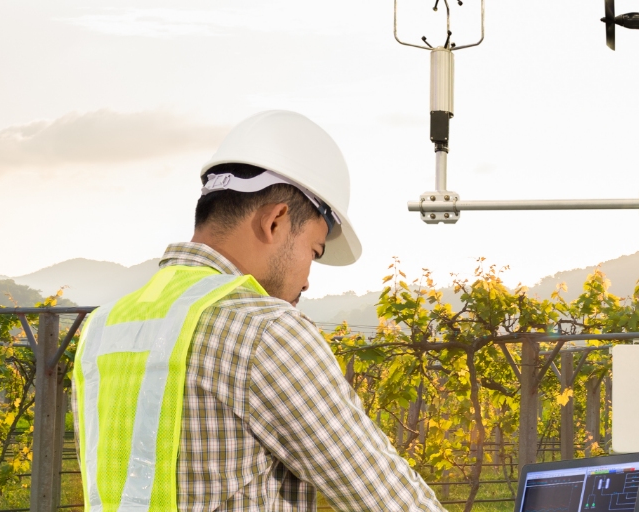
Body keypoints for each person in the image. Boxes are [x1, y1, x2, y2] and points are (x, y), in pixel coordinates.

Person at [69, 110, 444, 511]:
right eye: (313, 252)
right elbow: (387, 497)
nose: (306, 281)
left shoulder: (104, 327)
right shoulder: (265, 330)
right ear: (276, 221)